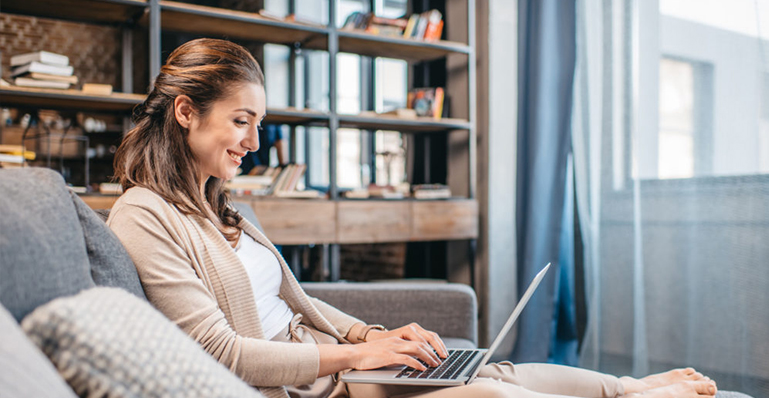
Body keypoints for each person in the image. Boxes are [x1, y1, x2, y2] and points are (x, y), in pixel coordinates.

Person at [107, 38, 718, 398]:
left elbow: (300, 303)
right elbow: (225, 353)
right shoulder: (144, 214)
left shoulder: (223, 207)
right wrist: (356, 359)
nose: (255, 141)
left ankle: (627, 388)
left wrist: (371, 337)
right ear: (185, 112)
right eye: (242, 121)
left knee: (483, 366)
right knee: (479, 391)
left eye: (259, 123)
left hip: (329, 366)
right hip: (303, 388)